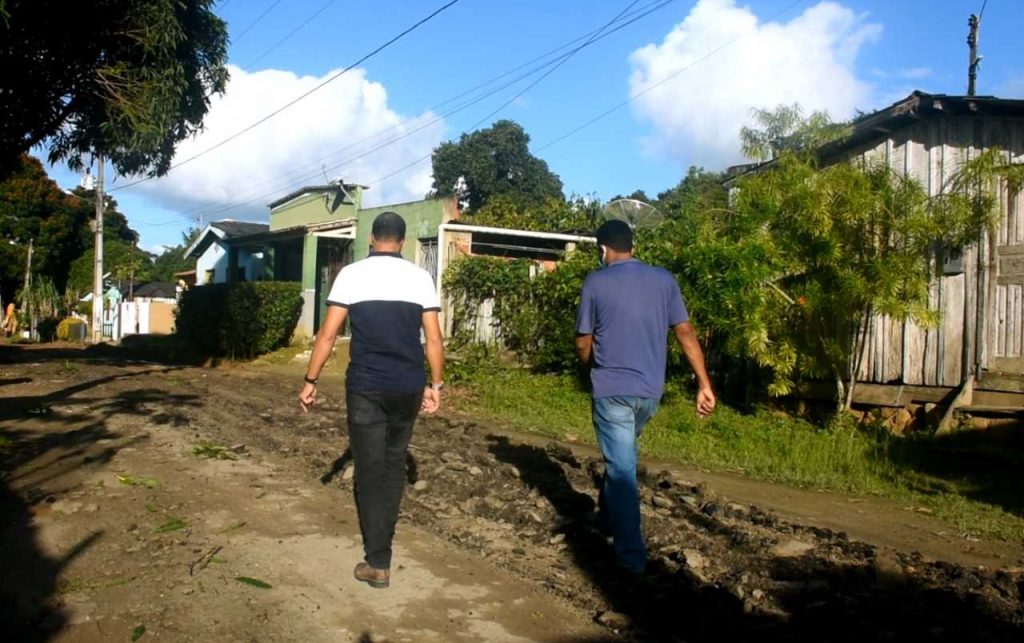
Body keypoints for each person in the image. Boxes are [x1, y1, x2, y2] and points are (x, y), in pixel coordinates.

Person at [298, 212, 444, 589]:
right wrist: (437, 385)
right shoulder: (420, 278)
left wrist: (310, 380)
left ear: (372, 239)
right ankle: (383, 551)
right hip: (407, 385)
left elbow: (328, 335)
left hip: (365, 386)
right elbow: (433, 339)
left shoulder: (351, 275)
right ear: (402, 240)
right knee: (393, 465)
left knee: (368, 469)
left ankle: (377, 560)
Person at [575, 219, 715, 574]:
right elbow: (685, 332)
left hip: (612, 391)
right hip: (649, 394)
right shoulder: (664, 280)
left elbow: (583, 339)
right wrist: (704, 383)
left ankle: (631, 558)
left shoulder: (595, 281)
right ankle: (608, 519)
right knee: (620, 457)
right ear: (633, 247)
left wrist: (589, 368)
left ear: (603, 249)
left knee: (622, 469)